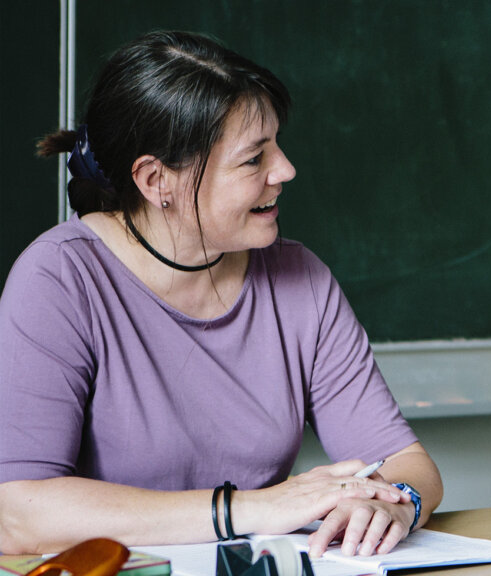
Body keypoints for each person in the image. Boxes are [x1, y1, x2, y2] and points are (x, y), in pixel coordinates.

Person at [0, 30, 442, 557]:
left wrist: (397, 502)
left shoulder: (300, 276)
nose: (286, 170)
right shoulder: (60, 278)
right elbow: (19, 513)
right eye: (254, 159)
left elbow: (405, 461)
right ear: (156, 179)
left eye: (277, 145)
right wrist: (253, 508)